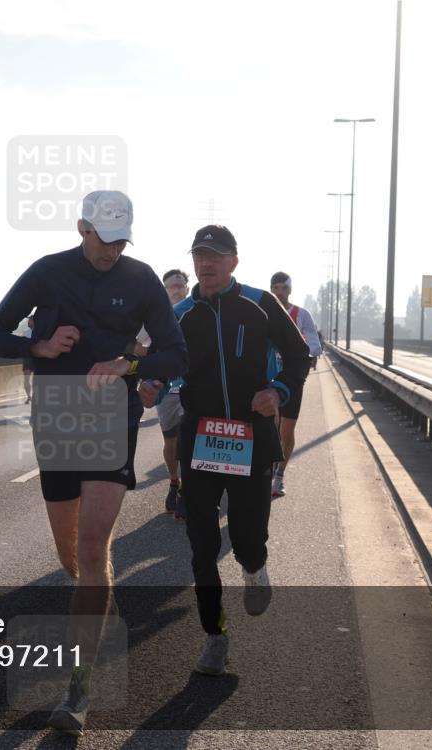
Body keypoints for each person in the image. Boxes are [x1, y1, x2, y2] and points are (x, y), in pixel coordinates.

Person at [0, 190, 187, 735]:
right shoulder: (47, 273)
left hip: (110, 421)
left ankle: (79, 689)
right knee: (72, 556)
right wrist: (40, 347)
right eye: (104, 240)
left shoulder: (141, 279)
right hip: (56, 418)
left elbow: (176, 350)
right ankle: (99, 610)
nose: (112, 252)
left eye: (122, 242)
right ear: (82, 228)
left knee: (95, 549)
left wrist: (129, 361)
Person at [141, 225, 309, 676]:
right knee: (201, 547)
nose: (206, 264)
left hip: (252, 440)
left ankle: (255, 569)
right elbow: (160, 368)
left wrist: (277, 390)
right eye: (199, 256)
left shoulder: (259, 303)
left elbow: (300, 356)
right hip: (201, 440)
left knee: (248, 540)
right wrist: (151, 385)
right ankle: (215, 637)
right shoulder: (179, 314)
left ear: (234, 260)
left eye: (215, 256)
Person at [141, 269, 191, 517]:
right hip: (168, 388)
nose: (176, 290)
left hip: (194, 387)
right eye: (170, 286)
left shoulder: (198, 312)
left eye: (180, 285)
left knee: (192, 438)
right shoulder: (155, 318)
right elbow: (135, 344)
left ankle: (189, 490)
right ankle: (174, 482)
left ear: (187, 289)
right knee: (171, 440)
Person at [268, 271, 322, 498]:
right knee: (269, 427)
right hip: (268, 377)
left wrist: (295, 352)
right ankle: (264, 473)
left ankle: (279, 475)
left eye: (284, 288)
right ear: (271, 289)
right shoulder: (264, 310)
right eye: (276, 288)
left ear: (290, 290)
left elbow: (315, 346)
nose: (280, 293)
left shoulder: (301, 314)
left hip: (292, 380)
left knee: (286, 430)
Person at [21, 316, 34, 404]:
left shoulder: (41, 332)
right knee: (26, 379)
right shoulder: (25, 333)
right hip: (27, 358)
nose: (28, 322)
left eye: (30, 320)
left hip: (38, 358)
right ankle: (29, 396)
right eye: (28, 320)